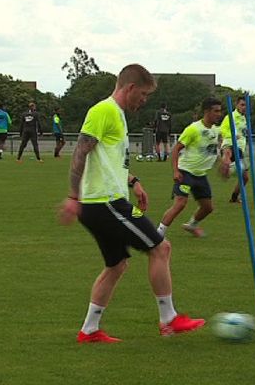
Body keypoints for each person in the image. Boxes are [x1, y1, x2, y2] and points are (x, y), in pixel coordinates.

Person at [58, 64, 205, 343]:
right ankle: (169, 319)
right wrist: (72, 196)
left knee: (117, 265)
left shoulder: (119, 116)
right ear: (130, 88)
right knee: (161, 247)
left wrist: (134, 181)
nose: (145, 100)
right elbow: (80, 151)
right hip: (105, 203)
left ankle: (89, 330)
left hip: (103, 203)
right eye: (145, 94)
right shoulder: (104, 111)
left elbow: (109, 160)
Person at [157, 97, 222, 238]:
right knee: (180, 203)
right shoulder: (193, 129)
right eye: (216, 111)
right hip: (185, 173)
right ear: (206, 111)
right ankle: (158, 234)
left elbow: (212, 151)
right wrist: (175, 170)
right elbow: (175, 149)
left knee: (207, 207)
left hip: (200, 175)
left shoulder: (216, 131)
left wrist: (222, 162)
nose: (219, 114)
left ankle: (191, 225)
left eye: (220, 111)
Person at [219, 96, 249, 203]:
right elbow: (222, 129)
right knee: (227, 154)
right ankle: (224, 167)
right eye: (242, 105)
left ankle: (234, 197)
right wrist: (232, 135)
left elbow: (243, 133)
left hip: (240, 148)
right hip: (230, 144)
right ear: (237, 105)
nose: (244, 107)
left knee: (245, 178)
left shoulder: (244, 118)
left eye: (246, 105)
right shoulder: (231, 117)